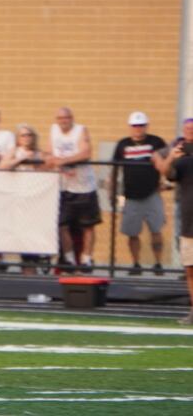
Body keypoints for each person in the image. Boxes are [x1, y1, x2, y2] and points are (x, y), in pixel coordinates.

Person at [112, 111, 167, 275]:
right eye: (135, 125)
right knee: (132, 233)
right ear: (130, 127)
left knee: (156, 230)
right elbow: (114, 168)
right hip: (131, 195)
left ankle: (158, 263)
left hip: (152, 194)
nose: (138, 129)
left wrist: (166, 180)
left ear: (146, 126)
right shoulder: (122, 144)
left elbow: (168, 160)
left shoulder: (156, 142)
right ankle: (136, 264)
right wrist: (113, 190)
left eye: (141, 125)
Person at [48, 107, 100, 270]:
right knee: (62, 225)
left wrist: (64, 161)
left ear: (72, 118)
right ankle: (69, 259)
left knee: (88, 225)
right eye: (60, 118)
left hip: (84, 186)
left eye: (67, 118)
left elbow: (86, 153)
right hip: (64, 187)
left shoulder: (80, 130)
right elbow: (50, 153)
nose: (63, 121)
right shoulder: (54, 130)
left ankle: (86, 258)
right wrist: (52, 161)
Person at [0, 124, 49, 275]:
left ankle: (38, 264)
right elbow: (3, 166)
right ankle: (25, 269)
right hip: (18, 200)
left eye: (29, 135)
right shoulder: (14, 152)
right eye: (23, 135)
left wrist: (35, 161)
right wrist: (20, 159)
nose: (26, 138)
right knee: (21, 237)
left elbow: (48, 167)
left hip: (36, 200)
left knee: (34, 236)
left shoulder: (39, 153)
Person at [159, 118, 193, 324]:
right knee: (190, 269)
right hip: (189, 220)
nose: (189, 132)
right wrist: (172, 156)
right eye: (187, 129)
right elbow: (167, 173)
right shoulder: (181, 157)